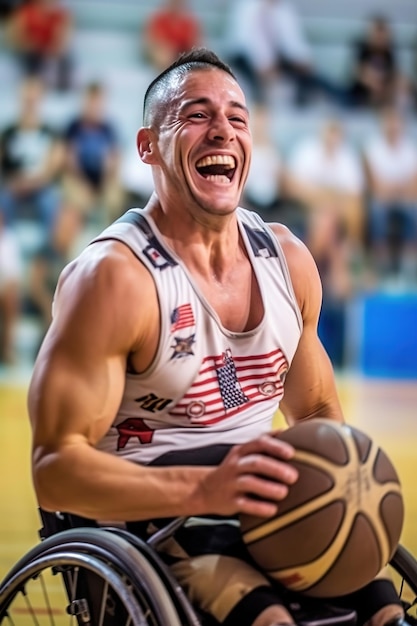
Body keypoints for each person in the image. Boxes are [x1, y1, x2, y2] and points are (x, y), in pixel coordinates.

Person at [28, 48, 407, 626]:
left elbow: (317, 411)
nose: (222, 131)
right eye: (196, 114)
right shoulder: (115, 278)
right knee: (268, 618)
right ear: (148, 146)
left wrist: (350, 490)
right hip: (147, 527)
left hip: (260, 506)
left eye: (237, 116)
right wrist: (205, 491)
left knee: (381, 609)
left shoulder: (287, 261)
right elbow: (55, 467)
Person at [0, 75, 64, 232]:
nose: (30, 104)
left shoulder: (51, 133)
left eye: (33, 100)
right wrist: (14, 183)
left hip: (41, 187)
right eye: (26, 100)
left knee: (51, 202)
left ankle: (47, 252)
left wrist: (31, 184)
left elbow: (53, 167)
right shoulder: (8, 133)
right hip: (13, 187)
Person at [362, 106, 417, 283]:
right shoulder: (373, 148)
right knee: (377, 211)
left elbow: (414, 185)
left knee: (413, 211)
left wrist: (396, 190)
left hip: (404, 200)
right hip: (382, 200)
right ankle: (381, 258)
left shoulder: (410, 149)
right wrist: (398, 189)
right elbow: (375, 185)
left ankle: (410, 258)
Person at [62, 81, 124, 226]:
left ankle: (113, 231)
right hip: (79, 178)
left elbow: (114, 158)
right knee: (78, 195)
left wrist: (106, 181)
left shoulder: (108, 128)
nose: (95, 107)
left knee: (114, 196)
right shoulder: (74, 127)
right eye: (92, 102)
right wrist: (83, 183)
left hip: (102, 178)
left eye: (98, 102)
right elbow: (70, 160)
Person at [5, 0, 73, 91]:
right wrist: (32, 45)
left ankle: (62, 90)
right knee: (32, 57)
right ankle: (31, 87)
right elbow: (15, 38)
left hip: (48, 51)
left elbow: (63, 41)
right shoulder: (25, 12)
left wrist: (51, 49)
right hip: (29, 51)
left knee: (66, 60)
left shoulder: (60, 14)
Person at [141, 0, 203, 73]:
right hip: (162, 52)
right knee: (163, 55)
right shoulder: (159, 19)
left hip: (179, 53)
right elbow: (150, 41)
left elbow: (195, 43)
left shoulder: (188, 23)